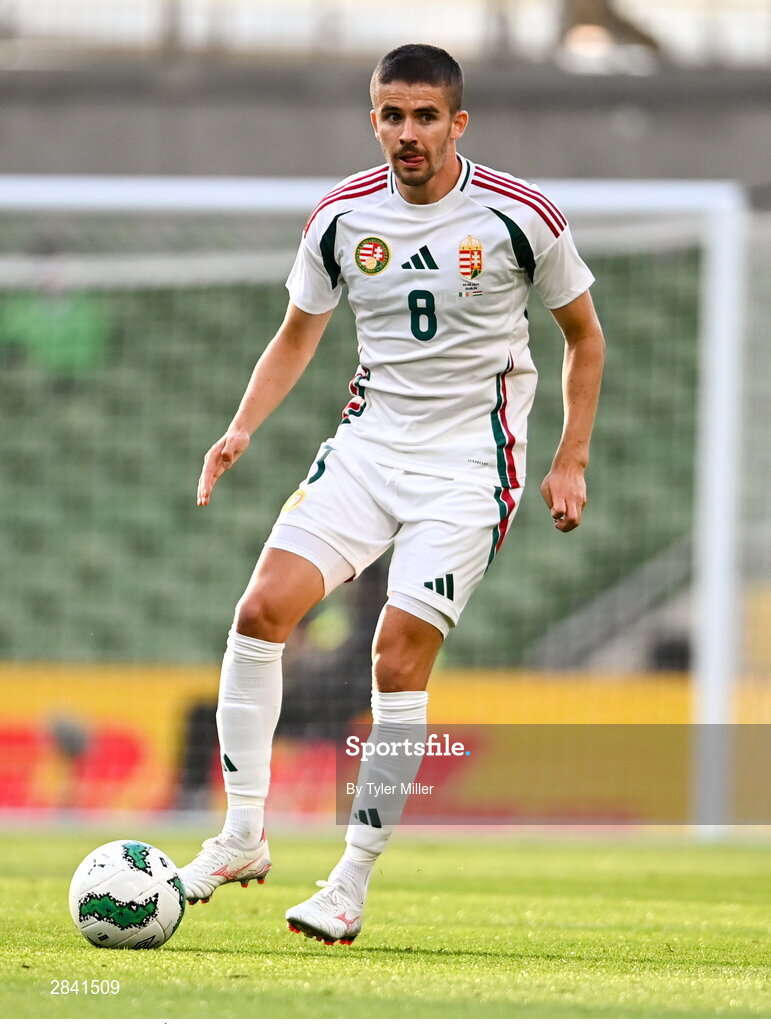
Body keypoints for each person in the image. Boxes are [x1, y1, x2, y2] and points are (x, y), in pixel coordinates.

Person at [179, 43, 605, 945]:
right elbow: (298, 334)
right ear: (372, 118)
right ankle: (241, 836)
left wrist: (568, 458)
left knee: (395, 661)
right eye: (389, 114)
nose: (406, 133)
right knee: (259, 613)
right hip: (368, 450)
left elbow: (584, 339)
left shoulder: (521, 217)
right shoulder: (339, 217)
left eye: (423, 116)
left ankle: (348, 883)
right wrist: (241, 426)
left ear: (458, 122)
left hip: (469, 467)